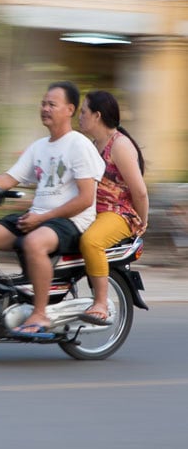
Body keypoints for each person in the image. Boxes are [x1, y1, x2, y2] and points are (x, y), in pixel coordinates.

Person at [0, 81, 105, 338]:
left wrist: (42, 218)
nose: (45, 108)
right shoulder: (39, 147)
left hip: (71, 221)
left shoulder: (78, 145)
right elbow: (8, 178)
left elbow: (85, 199)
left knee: (34, 243)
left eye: (52, 104)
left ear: (70, 109)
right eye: (43, 103)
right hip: (39, 217)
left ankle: (40, 314)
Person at [77, 90, 148, 324]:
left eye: (83, 112)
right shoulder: (91, 144)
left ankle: (101, 303)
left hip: (118, 213)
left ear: (97, 116)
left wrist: (141, 221)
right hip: (91, 211)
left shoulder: (120, 145)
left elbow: (139, 191)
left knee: (91, 241)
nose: (79, 116)